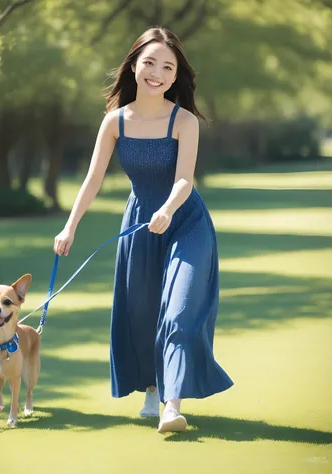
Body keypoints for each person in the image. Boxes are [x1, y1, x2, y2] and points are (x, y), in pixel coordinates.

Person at [54, 26, 234, 434]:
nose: (157, 72)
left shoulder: (184, 120)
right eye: (150, 62)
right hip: (139, 223)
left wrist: (169, 209)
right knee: (142, 312)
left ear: (175, 77)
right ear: (134, 65)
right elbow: (92, 180)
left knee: (179, 312)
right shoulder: (114, 122)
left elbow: (185, 179)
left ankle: (172, 406)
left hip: (186, 222)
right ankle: (152, 387)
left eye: (167, 67)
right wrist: (70, 227)